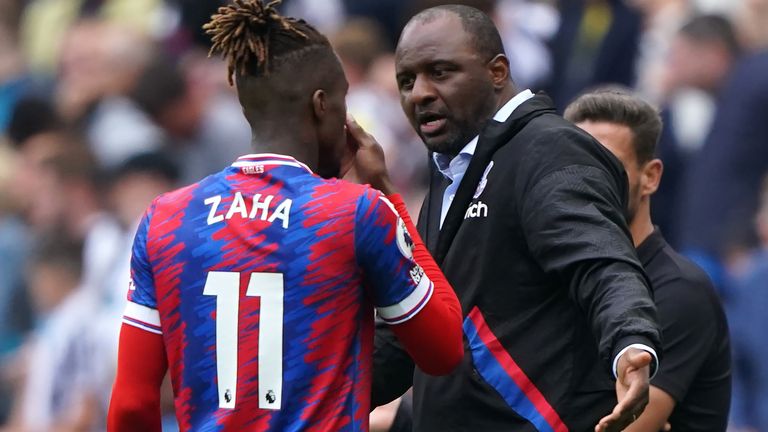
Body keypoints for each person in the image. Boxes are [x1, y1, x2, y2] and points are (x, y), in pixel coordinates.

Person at [107, 1, 464, 431]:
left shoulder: (166, 220)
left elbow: (130, 404)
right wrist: (386, 192)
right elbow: (444, 350)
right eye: (342, 102)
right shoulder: (355, 214)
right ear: (321, 106)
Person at [373, 5, 662, 431]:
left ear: (497, 71)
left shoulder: (547, 150)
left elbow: (599, 262)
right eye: (406, 81)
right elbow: (421, 329)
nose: (420, 93)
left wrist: (630, 341)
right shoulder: (452, 166)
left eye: (440, 71)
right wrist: (307, 389)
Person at [565, 88, 731, 431]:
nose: (590, 179)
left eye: (608, 164)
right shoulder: (561, 278)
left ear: (650, 177)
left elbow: (622, 426)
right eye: (575, 163)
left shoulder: (679, 292)